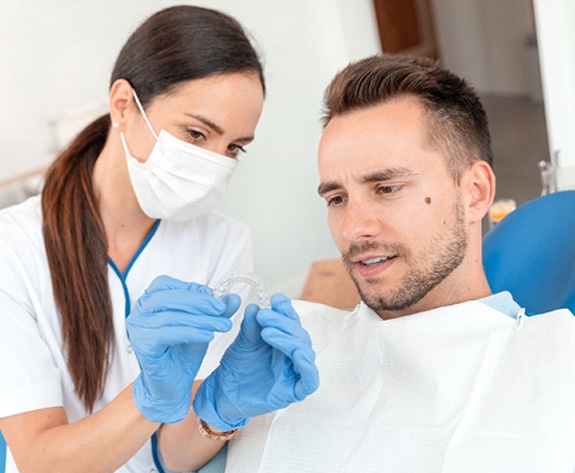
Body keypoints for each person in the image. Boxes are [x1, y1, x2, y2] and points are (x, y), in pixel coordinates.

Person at [208, 54, 575, 472]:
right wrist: (212, 411)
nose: (353, 228)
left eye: (387, 188)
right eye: (337, 199)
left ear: (474, 192)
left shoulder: (557, 369)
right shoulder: (295, 353)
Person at [0, 6, 318, 473]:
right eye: (195, 133)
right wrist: (148, 399)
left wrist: (223, 405)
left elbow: (172, 455)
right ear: (124, 105)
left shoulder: (224, 242)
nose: (215, 163)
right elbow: (39, 461)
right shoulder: (14, 248)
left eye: (233, 147)